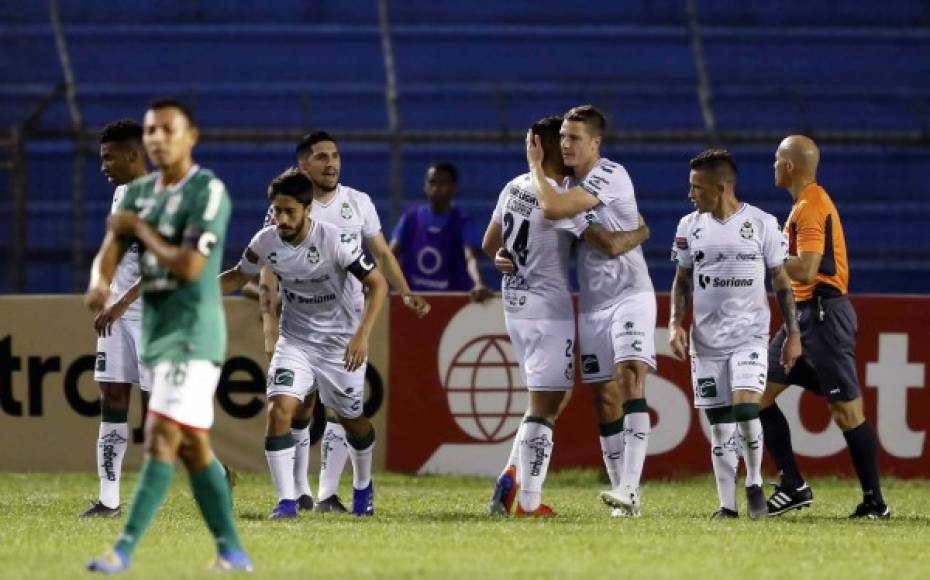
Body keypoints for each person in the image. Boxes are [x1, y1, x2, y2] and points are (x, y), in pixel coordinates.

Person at [84, 98, 251, 573]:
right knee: (190, 445)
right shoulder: (132, 196)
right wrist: (98, 282)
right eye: (152, 130)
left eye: (167, 130)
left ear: (190, 136)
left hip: (193, 330)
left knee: (158, 433)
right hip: (154, 327)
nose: (158, 137)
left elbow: (191, 265)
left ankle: (123, 549)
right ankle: (231, 550)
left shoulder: (207, 193)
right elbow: (111, 246)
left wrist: (141, 231)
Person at [484, 116, 649, 517]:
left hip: (514, 306)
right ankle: (528, 501)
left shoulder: (513, 186)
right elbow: (604, 240)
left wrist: (505, 257)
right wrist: (643, 232)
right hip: (549, 309)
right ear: (552, 149)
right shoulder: (556, 194)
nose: (568, 145)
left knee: (546, 399)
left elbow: (491, 244)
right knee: (547, 404)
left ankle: (511, 472)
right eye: (563, 140)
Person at [260, 131, 430, 514]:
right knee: (297, 405)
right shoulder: (288, 207)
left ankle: (331, 492)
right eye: (321, 157)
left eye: (335, 156)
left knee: (345, 411)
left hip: (346, 326)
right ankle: (299, 491)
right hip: (301, 326)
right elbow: (266, 269)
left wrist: (406, 292)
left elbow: (382, 255)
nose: (331, 163)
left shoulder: (358, 203)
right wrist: (270, 326)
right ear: (303, 164)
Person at [221, 168, 388, 519]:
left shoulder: (336, 241)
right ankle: (286, 502)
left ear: (307, 209)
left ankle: (362, 485)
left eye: (289, 211)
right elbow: (238, 276)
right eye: (276, 211)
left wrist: (362, 334)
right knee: (280, 409)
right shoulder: (265, 242)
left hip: (340, 344)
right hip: (295, 341)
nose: (281, 219)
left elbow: (378, 285)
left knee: (352, 418)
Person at [760, 135, 890, 518]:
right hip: (801, 316)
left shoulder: (811, 205)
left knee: (846, 411)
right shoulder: (802, 205)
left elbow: (810, 267)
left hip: (823, 315)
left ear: (789, 166)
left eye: (776, 160)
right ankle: (793, 485)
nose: (771, 166)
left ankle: (874, 502)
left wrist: (763, 257)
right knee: (756, 396)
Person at [669, 149, 801, 519]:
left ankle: (755, 481)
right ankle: (727, 506)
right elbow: (682, 280)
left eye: (697, 187)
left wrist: (793, 334)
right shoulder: (688, 227)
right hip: (706, 343)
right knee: (720, 425)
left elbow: (781, 281)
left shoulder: (762, 224)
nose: (690, 193)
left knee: (746, 409)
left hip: (750, 337)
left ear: (721, 186)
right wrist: (674, 323)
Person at [79, 119, 149, 519]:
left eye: (109, 158)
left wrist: (119, 303)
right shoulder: (123, 194)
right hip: (118, 315)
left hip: (156, 315)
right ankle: (108, 500)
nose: (103, 166)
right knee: (113, 397)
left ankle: (211, 469)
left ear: (133, 155)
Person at [390, 162, 492, 301]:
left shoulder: (462, 221)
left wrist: (478, 283)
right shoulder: (410, 218)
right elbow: (389, 255)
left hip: (451, 303)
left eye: (443, 183)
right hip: (413, 302)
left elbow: (470, 258)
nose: (436, 188)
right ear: (425, 186)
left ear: (453, 188)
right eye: (432, 182)